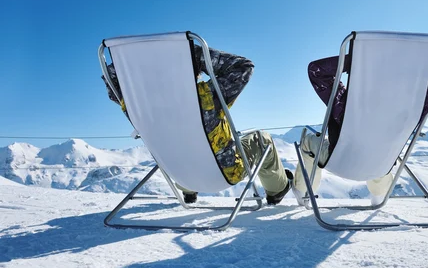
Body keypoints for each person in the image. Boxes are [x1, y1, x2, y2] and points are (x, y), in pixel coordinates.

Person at [103, 45, 293, 205]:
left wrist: (138, 64)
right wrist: (194, 55)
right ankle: (277, 191)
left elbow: (111, 78)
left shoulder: (136, 104)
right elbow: (244, 67)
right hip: (224, 174)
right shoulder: (206, 95)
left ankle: (189, 190)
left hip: (180, 175)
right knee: (262, 139)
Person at [292, 54, 428, 206]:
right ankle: (379, 195)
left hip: (342, 162)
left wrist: (361, 59)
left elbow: (316, 70)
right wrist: (403, 59)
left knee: (308, 141)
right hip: (381, 166)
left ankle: (302, 192)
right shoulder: (410, 109)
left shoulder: (346, 104)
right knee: (380, 148)